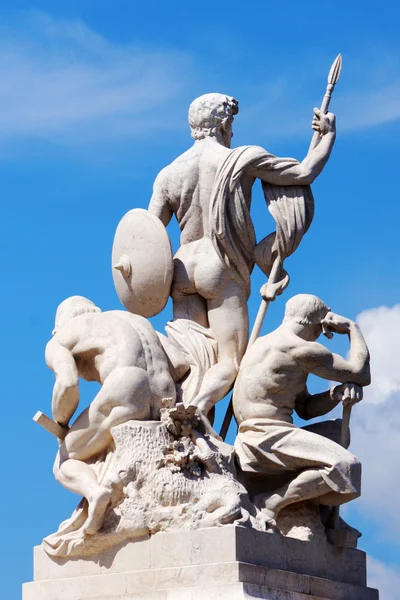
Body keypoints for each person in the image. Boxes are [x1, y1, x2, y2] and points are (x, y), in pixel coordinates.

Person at [148, 93, 336, 418]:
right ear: (223, 124)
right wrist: (328, 136)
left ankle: (186, 430)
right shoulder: (240, 158)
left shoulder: (168, 174)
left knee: (194, 360)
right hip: (218, 265)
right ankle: (194, 410)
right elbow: (303, 172)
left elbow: (148, 233)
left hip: (179, 270)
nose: (231, 130)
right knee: (228, 362)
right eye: (231, 123)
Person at [46, 295, 181, 535]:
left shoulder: (61, 338)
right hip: (166, 391)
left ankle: (95, 493)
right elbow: (180, 364)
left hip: (126, 386)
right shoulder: (134, 321)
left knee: (64, 460)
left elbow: (67, 385)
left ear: (59, 327)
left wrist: (62, 422)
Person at [233, 294, 371, 526]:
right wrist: (351, 328)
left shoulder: (264, 344)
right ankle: (272, 503)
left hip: (262, 432)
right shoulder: (300, 349)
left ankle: (317, 512)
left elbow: (306, 408)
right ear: (319, 324)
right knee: (348, 467)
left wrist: (335, 395)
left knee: (337, 433)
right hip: (266, 436)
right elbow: (361, 373)